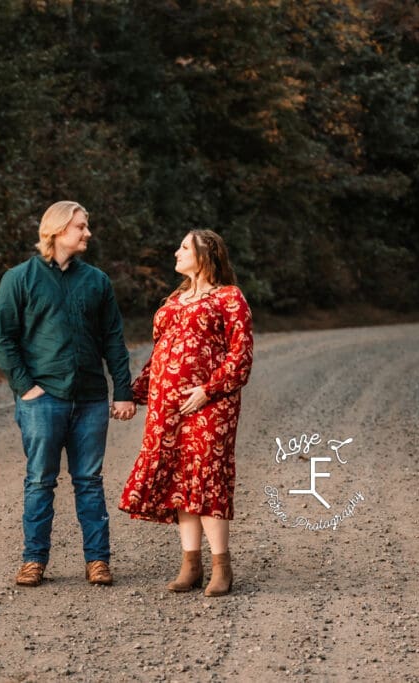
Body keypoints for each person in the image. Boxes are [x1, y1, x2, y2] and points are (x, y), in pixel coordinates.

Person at [0, 200, 136, 588]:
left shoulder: (97, 281)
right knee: (40, 480)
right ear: (56, 231)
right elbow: (3, 341)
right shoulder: (19, 279)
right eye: (81, 227)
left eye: (86, 226)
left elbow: (113, 340)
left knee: (89, 480)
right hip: (43, 399)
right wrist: (27, 388)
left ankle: (98, 561)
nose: (87, 233)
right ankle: (33, 560)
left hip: (90, 397)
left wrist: (123, 391)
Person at [119, 229, 253, 597]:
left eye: (183, 247)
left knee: (207, 476)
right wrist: (130, 394)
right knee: (180, 479)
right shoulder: (174, 299)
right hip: (168, 404)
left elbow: (240, 356)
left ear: (205, 254)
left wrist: (207, 390)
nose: (176, 252)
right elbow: (161, 352)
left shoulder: (229, 298)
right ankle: (190, 564)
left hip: (211, 403)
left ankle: (221, 566)